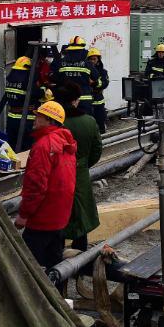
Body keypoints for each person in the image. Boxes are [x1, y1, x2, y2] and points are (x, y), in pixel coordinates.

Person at [14, 100, 77, 271]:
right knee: (54, 267)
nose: (34, 119)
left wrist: (24, 214)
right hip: (59, 217)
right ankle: (57, 296)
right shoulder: (66, 144)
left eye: (39, 116)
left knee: (27, 268)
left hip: (41, 220)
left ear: (49, 120)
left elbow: (36, 186)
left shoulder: (43, 146)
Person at [54, 84, 103, 252]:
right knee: (81, 217)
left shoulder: (54, 123)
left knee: (58, 217)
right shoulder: (89, 121)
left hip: (56, 176)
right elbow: (97, 151)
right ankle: (80, 258)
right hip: (80, 175)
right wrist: (82, 165)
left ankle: (57, 260)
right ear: (75, 101)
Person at [56, 36, 97, 114]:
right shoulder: (87, 64)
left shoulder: (61, 63)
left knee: (67, 124)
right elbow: (96, 77)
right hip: (84, 100)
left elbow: (56, 78)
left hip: (67, 101)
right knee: (85, 123)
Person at [4, 56, 37, 151]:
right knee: (26, 147)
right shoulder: (27, 80)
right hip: (25, 119)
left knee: (12, 146)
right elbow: (37, 93)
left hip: (11, 118)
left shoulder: (10, 79)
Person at [87, 47, 109, 132]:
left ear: (98, 60)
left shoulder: (103, 71)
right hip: (88, 100)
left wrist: (94, 83)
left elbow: (105, 83)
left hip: (98, 100)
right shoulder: (85, 70)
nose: (92, 61)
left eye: (94, 59)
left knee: (100, 121)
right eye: (90, 59)